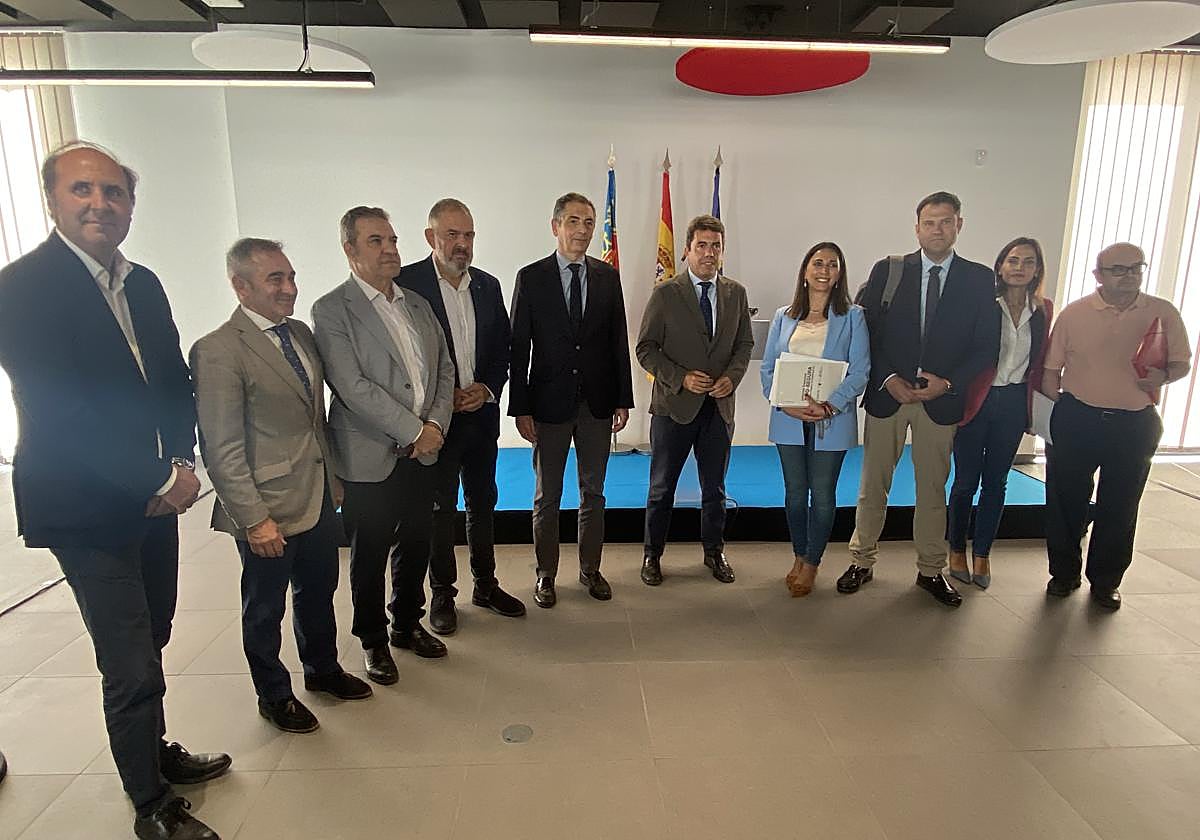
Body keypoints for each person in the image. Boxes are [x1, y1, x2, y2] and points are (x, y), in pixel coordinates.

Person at [0, 142, 229, 840]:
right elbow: (59, 411)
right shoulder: (21, 288)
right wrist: (157, 478)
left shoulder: (144, 283)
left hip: (155, 499)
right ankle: (150, 805)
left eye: (114, 192)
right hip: (82, 508)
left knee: (154, 633)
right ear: (52, 199)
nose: (100, 203)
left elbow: (171, 382)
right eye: (82, 190)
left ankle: (154, 751)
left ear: (130, 204)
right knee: (128, 660)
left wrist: (180, 461)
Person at [192, 238, 373, 734]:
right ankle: (273, 694)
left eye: (291, 276)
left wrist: (332, 477)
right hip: (266, 507)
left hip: (315, 493)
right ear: (240, 285)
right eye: (275, 279)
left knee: (318, 589)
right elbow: (221, 446)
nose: (289, 288)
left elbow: (316, 419)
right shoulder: (218, 350)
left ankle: (322, 669)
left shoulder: (300, 335)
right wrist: (254, 519)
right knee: (265, 606)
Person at [312, 206, 455, 684]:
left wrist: (433, 425)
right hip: (369, 454)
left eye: (392, 240)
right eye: (375, 241)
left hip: (424, 450)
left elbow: (444, 369)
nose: (390, 249)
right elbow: (351, 387)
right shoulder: (332, 310)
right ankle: (373, 639)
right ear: (349, 250)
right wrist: (414, 430)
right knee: (370, 552)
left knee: (416, 541)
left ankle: (407, 624)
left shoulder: (417, 304)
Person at [837, 191, 1000, 607]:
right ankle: (861, 560)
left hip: (940, 401)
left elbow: (986, 347)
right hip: (888, 395)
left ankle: (930, 569)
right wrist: (887, 377)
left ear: (959, 225)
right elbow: (864, 333)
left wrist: (948, 383)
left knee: (932, 490)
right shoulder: (889, 270)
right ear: (917, 228)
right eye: (930, 222)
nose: (937, 230)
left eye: (946, 222)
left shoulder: (979, 279)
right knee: (873, 485)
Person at [397, 199, 525, 634]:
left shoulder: (487, 285)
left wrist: (486, 388)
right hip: (434, 423)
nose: (462, 244)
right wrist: (440, 399)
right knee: (440, 508)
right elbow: (405, 355)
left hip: (480, 416)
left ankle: (486, 585)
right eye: (452, 235)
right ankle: (443, 594)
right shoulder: (407, 285)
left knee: (482, 502)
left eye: (468, 235)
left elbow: (503, 349)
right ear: (430, 237)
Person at [1042, 242, 1191, 610]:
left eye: (1136, 267)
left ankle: (1106, 581)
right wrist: (1057, 412)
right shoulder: (1075, 313)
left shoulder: (1162, 312)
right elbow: (1051, 370)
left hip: (1134, 423)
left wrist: (1164, 376)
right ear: (1099, 275)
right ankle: (1063, 574)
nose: (1129, 275)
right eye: (1119, 269)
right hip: (1078, 418)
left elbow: (1181, 363)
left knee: (1121, 506)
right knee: (1065, 501)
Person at [509, 192, 634, 608]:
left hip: (597, 403)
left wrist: (622, 399)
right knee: (547, 495)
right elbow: (518, 348)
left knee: (593, 492)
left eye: (589, 222)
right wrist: (521, 408)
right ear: (555, 226)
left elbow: (618, 341)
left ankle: (590, 569)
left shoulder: (607, 276)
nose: (582, 230)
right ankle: (545, 574)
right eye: (574, 221)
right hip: (548, 404)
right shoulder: (532, 277)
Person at [635, 214, 753, 585]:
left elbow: (744, 345)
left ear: (723, 251)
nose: (709, 253)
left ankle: (714, 553)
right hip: (673, 408)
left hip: (718, 409)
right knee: (661, 489)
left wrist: (732, 378)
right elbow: (645, 349)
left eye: (716, 246)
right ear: (687, 250)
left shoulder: (736, 294)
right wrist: (680, 378)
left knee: (714, 490)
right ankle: (652, 556)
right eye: (701, 245)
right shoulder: (666, 294)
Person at [760, 242, 869, 596]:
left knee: (822, 495)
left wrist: (830, 406)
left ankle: (812, 562)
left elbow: (861, 371)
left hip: (831, 420)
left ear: (840, 274)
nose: (824, 270)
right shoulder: (783, 316)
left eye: (832, 265)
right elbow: (767, 368)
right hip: (788, 419)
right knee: (794, 494)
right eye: (818, 263)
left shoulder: (853, 316)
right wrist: (784, 404)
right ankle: (798, 555)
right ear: (805, 271)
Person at [947, 237, 1053, 589]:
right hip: (977, 400)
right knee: (965, 482)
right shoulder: (984, 304)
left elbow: (1040, 361)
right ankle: (956, 549)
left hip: (1013, 403)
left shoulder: (1043, 310)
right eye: (1013, 260)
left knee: (997, 482)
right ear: (1000, 266)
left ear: (1037, 270)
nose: (1019, 268)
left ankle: (983, 553)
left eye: (1028, 261)